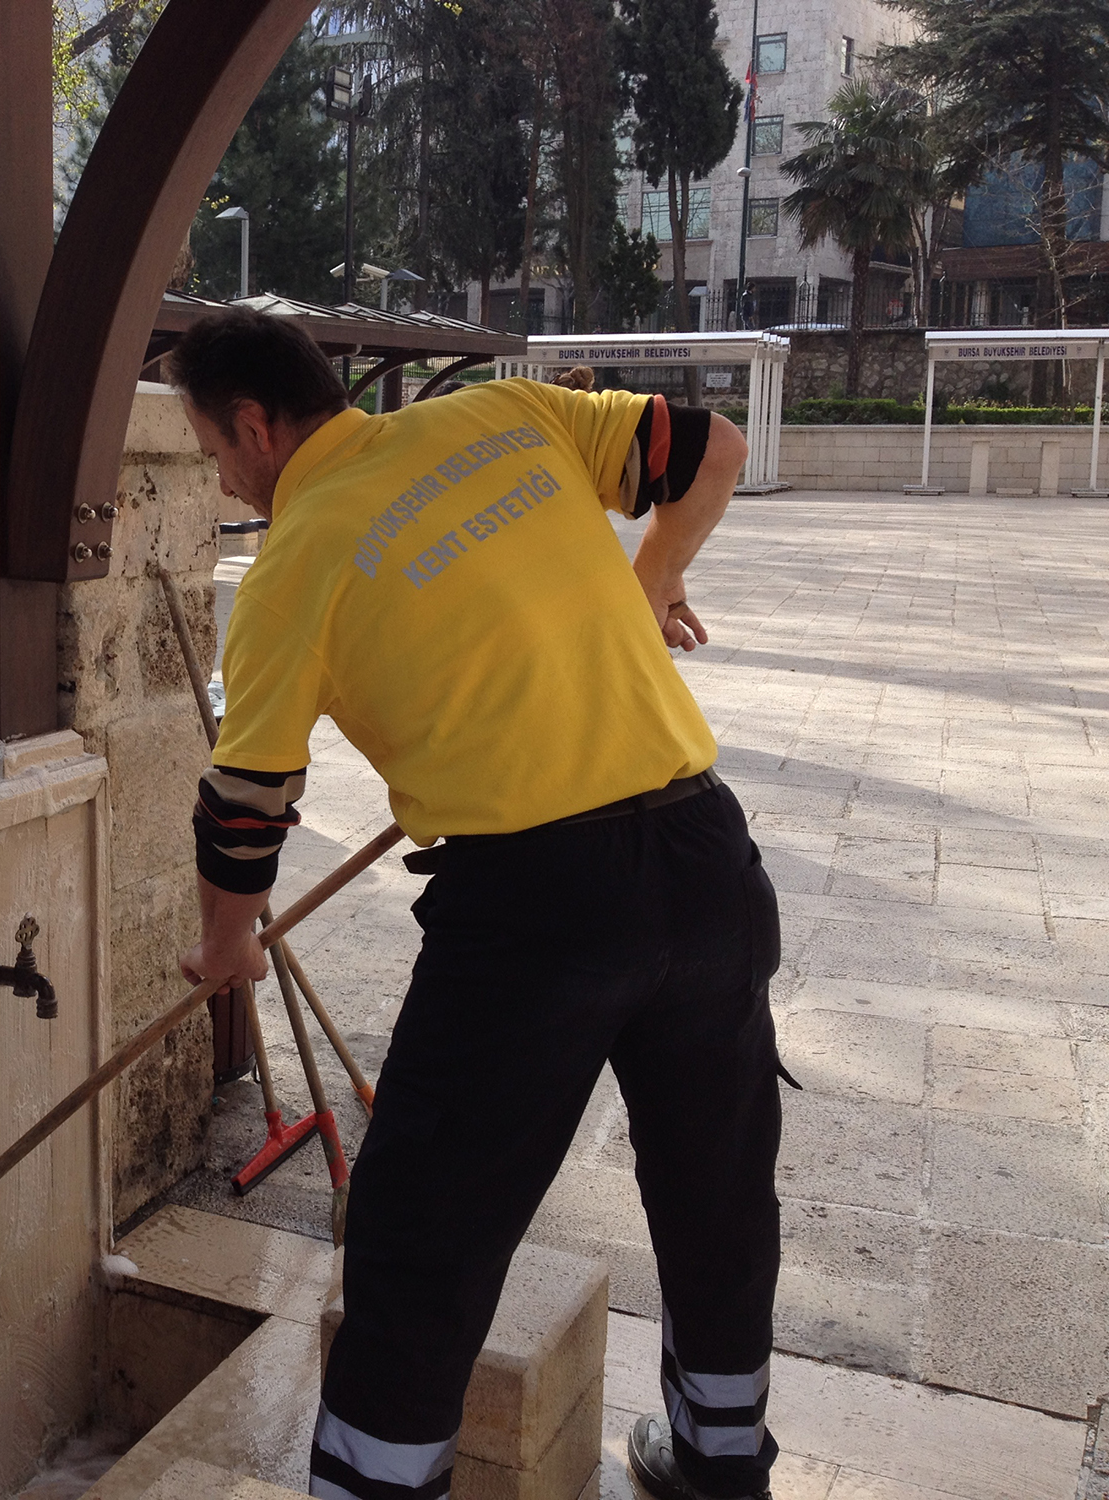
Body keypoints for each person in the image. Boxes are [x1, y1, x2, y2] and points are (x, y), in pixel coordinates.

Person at [169, 309, 781, 1500]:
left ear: (253, 424)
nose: (220, 479)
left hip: (534, 917)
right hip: (705, 865)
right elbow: (711, 448)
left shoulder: (292, 562)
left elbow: (243, 805)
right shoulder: (505, 415)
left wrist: (225, 945)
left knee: (421, 1236)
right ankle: (721, 1465)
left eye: (211, 452)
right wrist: (650, 578)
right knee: (714, 1191)